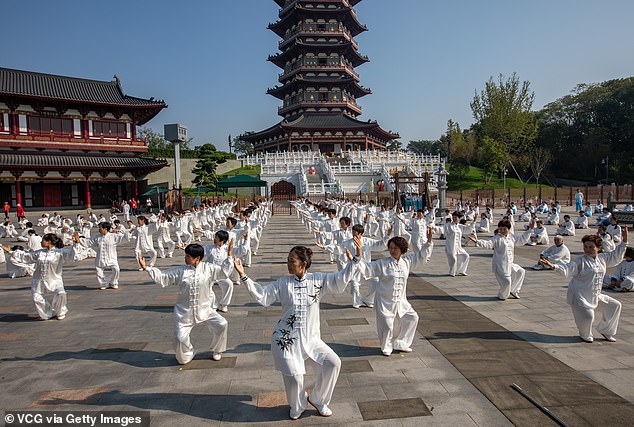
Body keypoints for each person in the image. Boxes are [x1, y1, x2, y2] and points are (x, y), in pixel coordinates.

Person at [233, 245, 358, 420]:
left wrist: (355, 261)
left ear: (303, 264)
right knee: (295, 377)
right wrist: (243, 275)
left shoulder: (318, 279)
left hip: (311, 338)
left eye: (292, 261)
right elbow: (263, 295)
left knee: (333, 363)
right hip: (286, 340)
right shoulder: (283, 283)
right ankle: (298, 405)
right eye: (288, 260)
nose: (288, 264)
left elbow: (339, 281)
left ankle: (318, 399)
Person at [140, 244, 232, 364]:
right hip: (184, 313)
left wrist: (229, 256)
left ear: (197, 258)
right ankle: (189, 352)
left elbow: (224, 272)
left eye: (188, 256)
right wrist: (147, 268)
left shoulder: (209, 268)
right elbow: (163, 276)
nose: (185, 258)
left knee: (222, 324)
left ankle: (217, 350)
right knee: (181, 345)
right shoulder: (181, 271)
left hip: (205, 309)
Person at [542, 228, 629, 342]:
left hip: (595, 295)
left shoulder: (602, 259)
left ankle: (606, 330)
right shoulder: (580, 261)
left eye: (591, 247)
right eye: (585, 247)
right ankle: (585, 334)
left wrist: (624, 241)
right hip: (580, 296)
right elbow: (568, 267)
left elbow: (615, 255)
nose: (587, 250)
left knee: (615, 305)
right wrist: (554, 266)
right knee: (589, 316)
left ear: (598, 248)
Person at [356, 229, 433, 356]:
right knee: (386, 325)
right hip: (385, 301)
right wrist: (358, 255)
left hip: (401, 300)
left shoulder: (407, 262)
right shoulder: (382, 264)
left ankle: (402, 343)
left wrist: (429, 242)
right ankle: (386, 347)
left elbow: (420, 256)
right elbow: (367, 268)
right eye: (390, 248)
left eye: (395, 248)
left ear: (402, 249)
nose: (392, 250)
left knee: (412, 318)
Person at [2, 234, 77, 320]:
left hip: (54, 279)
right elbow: (27, 256)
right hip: (39, 279)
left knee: (61, 293)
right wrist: (11, 252)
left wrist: (76, 243)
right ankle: (47, 313)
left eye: (43, 240)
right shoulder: (40, 253)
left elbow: (73, 255)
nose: (41, 242)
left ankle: (60, 311)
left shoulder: (59, 252)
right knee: (36, 297)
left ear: (49, 242)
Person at [470, 219, 534, 300]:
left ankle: (514, 290)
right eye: (500, 229)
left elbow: (522, 238)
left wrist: (530, 230)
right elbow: (488, 243)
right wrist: (477, 241)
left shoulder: (512, 237)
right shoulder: (497, 238)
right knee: (507, 281)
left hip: (510, 263)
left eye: (504, 229)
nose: (502, 231)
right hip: (500, 264)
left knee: (521, 271)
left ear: (509, 229)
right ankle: (502, 295)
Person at [73, 222, 127, 290]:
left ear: (105, 229)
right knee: (99, 271)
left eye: (100, 228)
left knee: (116, 269)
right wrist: (78, 240)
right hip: (100, 257)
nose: (99, 229)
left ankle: (113, 282)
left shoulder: (113, 236)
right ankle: (104, 283)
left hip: (111, 257)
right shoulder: (97, 237)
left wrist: (125, 232)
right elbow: (89, 241)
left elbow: (124, 238)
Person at [432, 212, 473, 277]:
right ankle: (452, 272)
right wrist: (433, 227)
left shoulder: (460, 226)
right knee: (454, 259)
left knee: (466, 256)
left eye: (455, 217)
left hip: (458, 246)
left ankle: (462, 271)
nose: (454, 219)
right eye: (453, 217)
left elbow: (468, 229)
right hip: (450, 246)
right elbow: (441, 228)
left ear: (459, 218)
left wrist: (474, 221)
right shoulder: (448, 225)